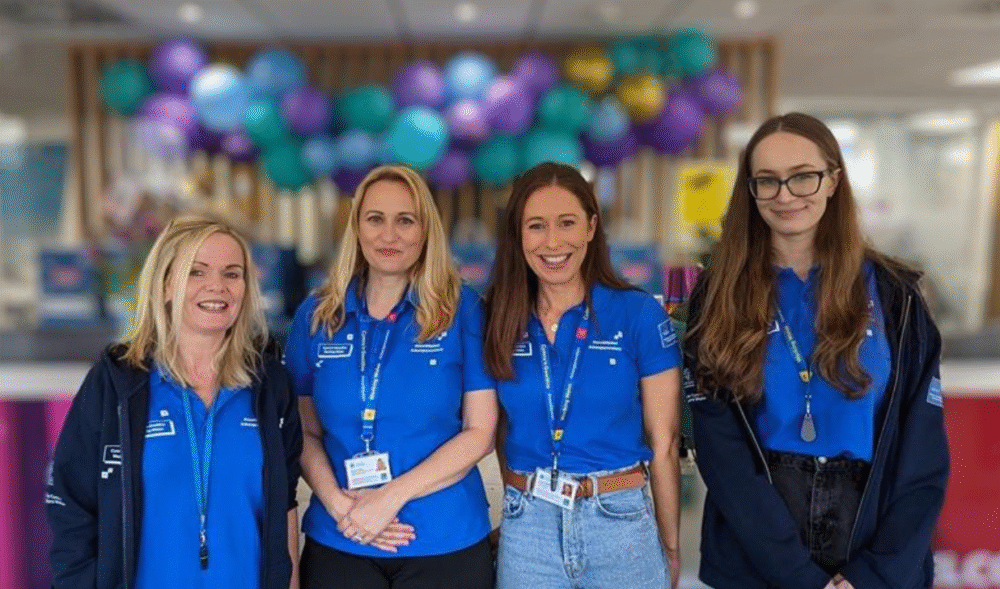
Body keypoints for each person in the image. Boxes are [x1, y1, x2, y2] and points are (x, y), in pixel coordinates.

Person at [683, 112, 949, 589]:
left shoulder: (897, 296)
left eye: (802, 176)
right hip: (758, 542)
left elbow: (922, 454)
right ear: (750, 191)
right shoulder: (719, 294)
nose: (785, 196)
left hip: (869, 533)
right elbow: (721, 451)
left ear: (833, 180)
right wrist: (797, 576)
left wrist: (874, 574)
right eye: (767, 181)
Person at [47, 216, 303, 589]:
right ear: (166, 285)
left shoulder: (270, 385)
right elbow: (72, 505)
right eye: (197, 272)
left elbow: (284, 506)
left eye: (232, 274)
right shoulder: (117, 383)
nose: (217, 286)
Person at [284, 165, 497, 589]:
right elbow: (303, 432)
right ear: (356, 227)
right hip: (342, 536)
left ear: (425, 229)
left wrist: (388, 499)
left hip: (443, 539)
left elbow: (480, 432)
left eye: (405, 220)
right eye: (375, 219)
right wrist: (340, 506)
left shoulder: (463, 311)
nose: (389, 235)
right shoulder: (317, 317)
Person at [483, 162, 682, 589]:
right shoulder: (498, 318)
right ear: (518, 235)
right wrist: (518, 498)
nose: (553, 242)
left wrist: (670, 545)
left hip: (619, 521)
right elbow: (497, 429)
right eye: (536, 226)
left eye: (567, 222)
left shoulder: (638, 315)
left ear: (591, 227)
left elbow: (664, 444)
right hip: (529, 529)